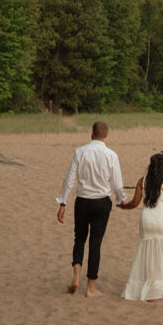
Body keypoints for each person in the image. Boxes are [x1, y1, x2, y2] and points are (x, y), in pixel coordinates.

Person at [56, 120, 127, 298]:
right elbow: (117, 183)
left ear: (92, 134)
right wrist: (120, 199)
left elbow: (69, 179)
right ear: (106, 135)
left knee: (79, 239)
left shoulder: (80, 152)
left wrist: (63, 202)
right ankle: (90, 287)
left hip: (82, 201)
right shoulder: (111, 155)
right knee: (95, 243)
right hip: (102, 202)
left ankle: (76, 277)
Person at [119, 152, 163, 301]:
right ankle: (159, 288)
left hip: (147, 219)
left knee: (148, 253)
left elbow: (134, 203)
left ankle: (150, 285)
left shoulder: (142, 181)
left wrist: (123, 206)